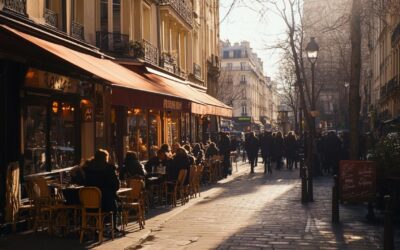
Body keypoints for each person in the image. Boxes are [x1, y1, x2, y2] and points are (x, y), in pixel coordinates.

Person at [82, 149, 120, 213]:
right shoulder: (109, 169)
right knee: (117, 204)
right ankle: (112, 221)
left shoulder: (87, 169)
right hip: (107, 203)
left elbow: (83, 182)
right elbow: (116, 186)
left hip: (89, 203)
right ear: (105, 158)